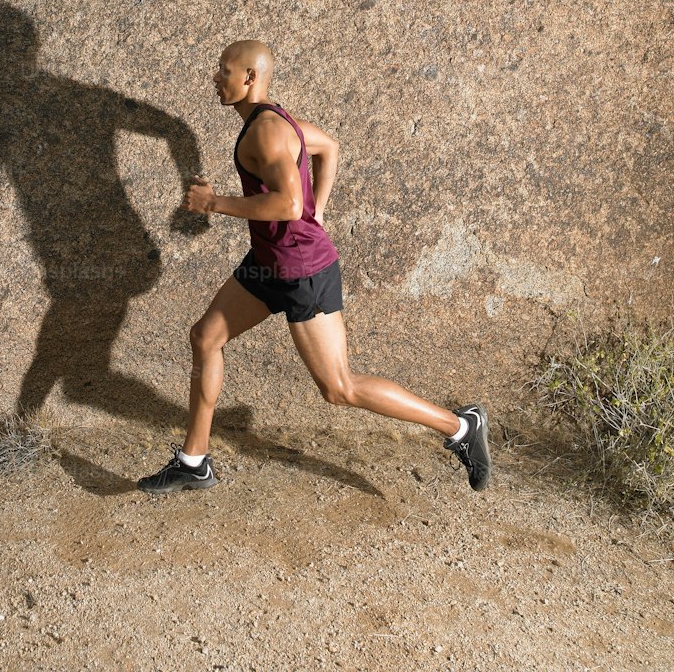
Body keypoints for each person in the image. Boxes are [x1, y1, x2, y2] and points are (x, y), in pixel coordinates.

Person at [137, 39, 491, 495]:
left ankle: (461, 427)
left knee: (339, 387)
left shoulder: (265, 132)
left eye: (223, 70)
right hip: (268, 264)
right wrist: (318, 210)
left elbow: (287, 204)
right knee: (206, 336)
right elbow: (329, 147)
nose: (215, 78)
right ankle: (194, 461)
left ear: (249, 78)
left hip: (301, 271)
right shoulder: (274, 123)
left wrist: (214, 203)